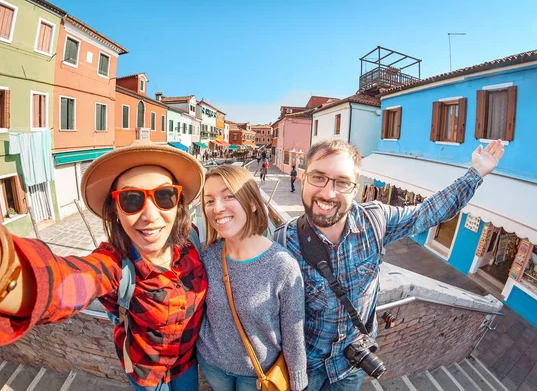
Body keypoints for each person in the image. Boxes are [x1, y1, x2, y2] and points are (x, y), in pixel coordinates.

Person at [0, 140, 207, 391]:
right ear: (116, 212)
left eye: (164, 196)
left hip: (186, 365)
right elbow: (65, 281)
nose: (151, 216)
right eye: (132, 200)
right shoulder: (115, 265)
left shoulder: (192, 242)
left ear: (178, 203)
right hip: (146, 374)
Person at [276, 138, 505, 391]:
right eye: (318, 177)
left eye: (342, 182)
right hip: (303, 369)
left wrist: (476, 173)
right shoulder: (281, 243)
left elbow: (426, 213)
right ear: (303, 178)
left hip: (353, 363)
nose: (328, 193)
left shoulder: (375, 221)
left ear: (354, 189)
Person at [197, 165, 307, 391]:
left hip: (258, 373)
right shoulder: (206, 255)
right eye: (209, 201)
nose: (217, 208)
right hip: (212, 364)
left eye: (229, 196)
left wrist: (297, 382)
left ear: (253, 203)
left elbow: (293, 332)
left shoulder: (282, 265)